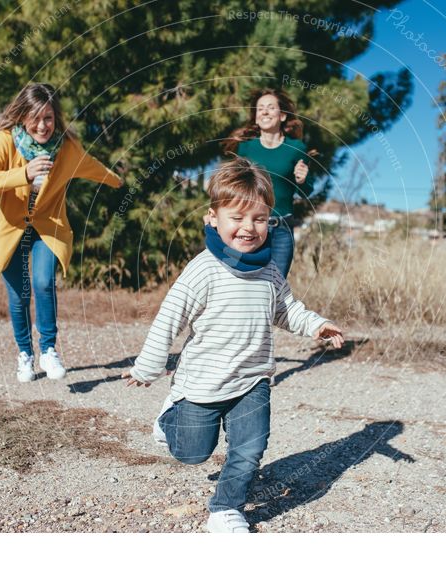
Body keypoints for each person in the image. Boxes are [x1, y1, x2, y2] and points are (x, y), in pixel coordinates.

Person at [123, 159, 343, 533]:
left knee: (250, 448)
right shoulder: (204, 269)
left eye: (259, 219)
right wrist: (147, 367)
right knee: (193, 453)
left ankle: (226, 510)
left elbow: (287, 309)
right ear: (213, 218)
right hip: (203, 384)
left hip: (252, 380)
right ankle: (169, 416)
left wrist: (317, 325)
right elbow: (169, 317)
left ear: (270, 221)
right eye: (237, 217)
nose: (248, 227)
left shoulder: (270, 270)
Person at [0, 83, 122, 382]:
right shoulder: (4, 141)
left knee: (42, 282)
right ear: (23, 117)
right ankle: (25, 354)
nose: (42, 125)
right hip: (10, 228)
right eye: (36, 118)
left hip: (46, 227)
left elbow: (93, 167)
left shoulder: (66, 149)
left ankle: (49, 350)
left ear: (57, 118)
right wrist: (23, 174)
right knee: (18, 295)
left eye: (49, 118)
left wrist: (118, 182)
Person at [222, 88, 314, 278]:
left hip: (281, 231)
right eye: (260, 109)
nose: (264, 111)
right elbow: (232, 187)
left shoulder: (297, 148)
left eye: (271, 108)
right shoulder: (245, 148)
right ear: (256, 118)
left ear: (282, 116)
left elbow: (307, 191)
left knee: (274, 287)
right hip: (248, 228)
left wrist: (302, 180)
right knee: (236, 280)